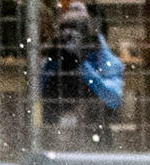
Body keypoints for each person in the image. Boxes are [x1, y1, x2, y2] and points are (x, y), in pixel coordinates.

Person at [41, 0, 124, 128]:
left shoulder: (100, 53)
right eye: (66, 29)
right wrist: (54, 60)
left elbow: (114, 99)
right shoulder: (55, 55)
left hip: (93, 128)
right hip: (56, 127)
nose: (70, 35)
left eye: (76, 28)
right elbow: (36, 91)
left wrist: (83, 66)